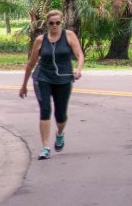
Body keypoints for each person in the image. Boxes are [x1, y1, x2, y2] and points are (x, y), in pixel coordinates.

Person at [20, 9, 85, 160]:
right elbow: (31, 64)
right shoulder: (40, 40)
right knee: (45, 109)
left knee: (61, 114)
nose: (54, 26)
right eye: (51, 23)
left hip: (63, 79)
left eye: (57, 23)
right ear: (47, 24)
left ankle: (60, 133)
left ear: (61, 23)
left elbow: (79, 54)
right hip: (43, 77)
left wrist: (79, 69)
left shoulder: (69, 36)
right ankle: (45, 147)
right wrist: (23, 85)